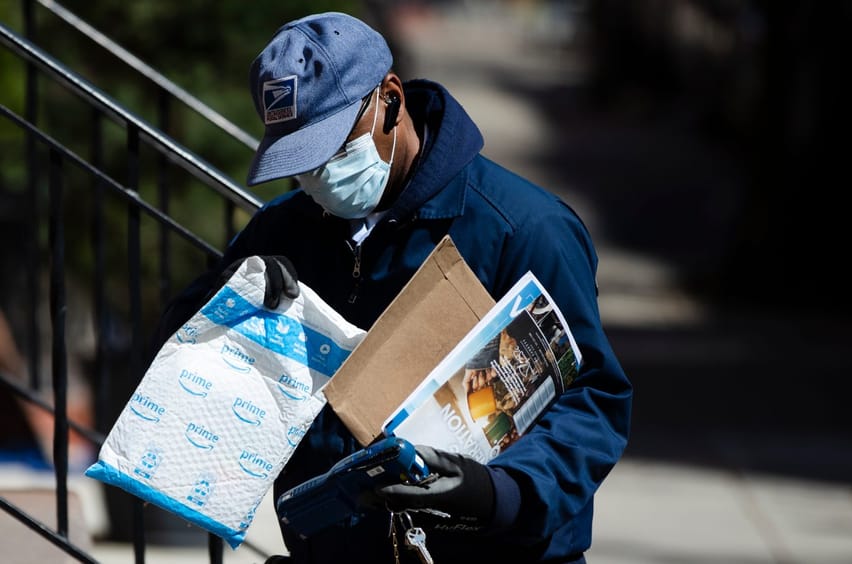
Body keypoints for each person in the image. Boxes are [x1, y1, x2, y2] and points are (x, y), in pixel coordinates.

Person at [153, 11, 632, 564]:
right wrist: (224, 307)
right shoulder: (282, 231)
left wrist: (495, 492)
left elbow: (593, 399)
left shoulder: (522, 229)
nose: (318, 177)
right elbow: (175, 357)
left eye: (333, 148)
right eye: (299, 162)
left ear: (391, 101)